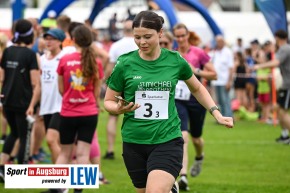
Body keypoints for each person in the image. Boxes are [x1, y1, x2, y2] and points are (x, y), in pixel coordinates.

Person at [104, 10, 234, 193]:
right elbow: (108, 101)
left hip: (167, 139)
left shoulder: (175, 60)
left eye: (147, 36)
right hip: (134, 141)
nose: (142, 42)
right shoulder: (124, 63)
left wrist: (217, 113)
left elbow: (197, 88)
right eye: (137, 37)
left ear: (160, 33)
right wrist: (118, 109)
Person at [56, 25, 103, 193]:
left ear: (73, 40)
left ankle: (59, 187)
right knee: (83, 154)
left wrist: (71, 98)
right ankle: (78, 188)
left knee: (64, 153)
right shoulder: (95, 61)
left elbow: (61, 89)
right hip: (89, 113)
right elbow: (97, 91)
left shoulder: (64, 60)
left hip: (68, 112)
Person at [172, 23, 217, 191]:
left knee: (196, 138)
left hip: (196, 100)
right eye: (177, 36)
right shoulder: (173, 55)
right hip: (178, 100)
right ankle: (183, 176)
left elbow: (214, 74)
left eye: (183, 35)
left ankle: (199, 156)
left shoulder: (198, 53)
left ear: (188, 36)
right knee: (183, 136)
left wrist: (195, 71)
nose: (181, 39)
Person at [0, 19, 40, 181]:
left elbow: (1, 78)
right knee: (24, 135)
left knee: (14, 133)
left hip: (7, 100)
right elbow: (35, 84)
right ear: (30, 34)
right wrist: (32, 105)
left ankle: (2, 166)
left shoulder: (8, 51)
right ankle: (23, 171)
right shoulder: (30, 55)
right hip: (24, 103)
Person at [103, 19, 138, 159]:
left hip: (119, 84)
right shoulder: (139, 44)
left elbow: (110, 68)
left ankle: (110, 150)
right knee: (136, 116)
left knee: (113, 117)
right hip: (137, 83)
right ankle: (136, 149)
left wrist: (107, 83)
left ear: (123, 30)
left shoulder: (116, 45)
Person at [253, 30, 290, 144]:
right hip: (285, 85)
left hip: (288, 85)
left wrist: (259, 66)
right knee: (278, 110)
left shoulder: (285, 48)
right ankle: (284, 135)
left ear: (277, 38)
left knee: (283, 112)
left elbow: (275, 63)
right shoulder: (283, 48)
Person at [211, 35, 234, 117]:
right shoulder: (215, 52)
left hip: (224, 80)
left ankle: (229, 116)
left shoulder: (228, 52)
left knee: (225, 100)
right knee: (219, 100)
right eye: (217, 41)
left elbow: (231, 68)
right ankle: (222, 116)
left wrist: (229, 81)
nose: (218, 43)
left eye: (220, 41)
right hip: (217, 80)